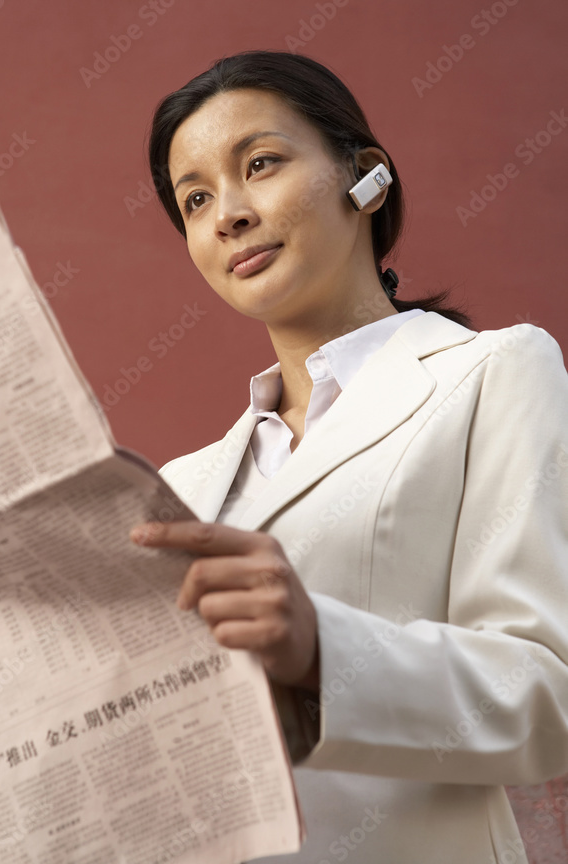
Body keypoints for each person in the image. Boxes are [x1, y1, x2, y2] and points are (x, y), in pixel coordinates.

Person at [129, 51, 568, 863]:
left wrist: (323, 650)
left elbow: (546, 698)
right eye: (194, 199)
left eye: (259, 164)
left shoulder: (494, 372)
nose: (227, 213)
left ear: (365, 177)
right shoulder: (178, 489)